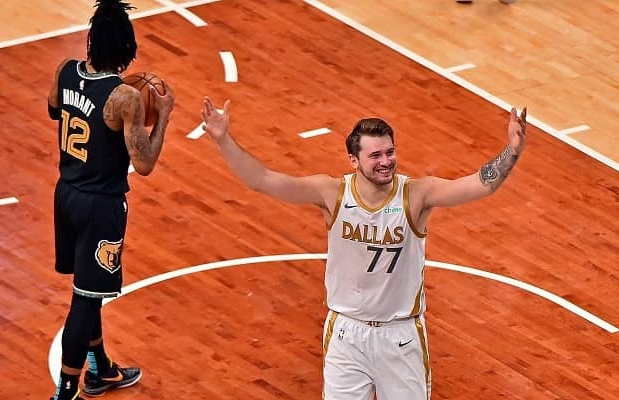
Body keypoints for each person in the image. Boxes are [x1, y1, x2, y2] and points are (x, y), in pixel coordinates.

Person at [200, 96, 527, 399]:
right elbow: (263, 180)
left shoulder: (416, 194)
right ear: (353, 160)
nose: (386, 161)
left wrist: (512, 149)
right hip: (347, 333)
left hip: (399, 336)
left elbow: (480, 184)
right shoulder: (332, 193)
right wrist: (223, 140)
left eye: (389, 152)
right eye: (375, 155)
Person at [46, 1, 174, 399]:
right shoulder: (124, 98)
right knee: (84, 300)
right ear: (127, 49)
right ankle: (67, 389)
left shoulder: (65, 70)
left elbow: (53, 109)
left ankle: (100, 368)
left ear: (91, 41)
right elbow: (145, 163)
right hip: (100, 206)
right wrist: (163, 116)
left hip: (66, 195)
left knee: (89, 289)